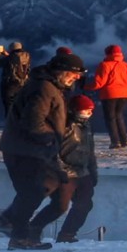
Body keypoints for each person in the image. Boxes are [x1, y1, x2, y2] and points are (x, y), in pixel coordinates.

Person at [0, 54, 86, 250]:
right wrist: (50, 138)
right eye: (74, 73)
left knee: (53, 196)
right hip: (26, 150)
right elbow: (33, 122)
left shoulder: (51, 87)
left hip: (34, 149)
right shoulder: (44, 88)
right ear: (61, 71)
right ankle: (17, 234)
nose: (77, 78)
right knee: (34, 191)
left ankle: (18, 229)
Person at [55, 95, 99, 243]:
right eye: (85, 111)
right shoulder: (64, 125)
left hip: (83, 171)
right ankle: (31, 232)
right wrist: (61, 170)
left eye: (90, 111)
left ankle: (67, 234)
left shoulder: (86, 127)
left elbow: (90, 152)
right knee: (59, 205)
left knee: (85, 203)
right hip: (67, 172)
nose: (89, 114)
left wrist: (93, 173)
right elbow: (53, 151)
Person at [89, 44, 127, 149]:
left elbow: (99, 83)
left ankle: (115, 142)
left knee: (110, 118)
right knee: (119, 116)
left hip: (109, 95)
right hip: (124, 95)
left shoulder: (104, 65)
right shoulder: (126, 65)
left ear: (107, 53)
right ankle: (124, 140)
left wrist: (86, 87)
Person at [0, 42, 33, 117]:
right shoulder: (27, 56)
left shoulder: (9, 58)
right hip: (24, 85)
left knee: (9, 107)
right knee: (21, 106)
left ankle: (10, 125)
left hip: (10, 85)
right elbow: (17, 62)